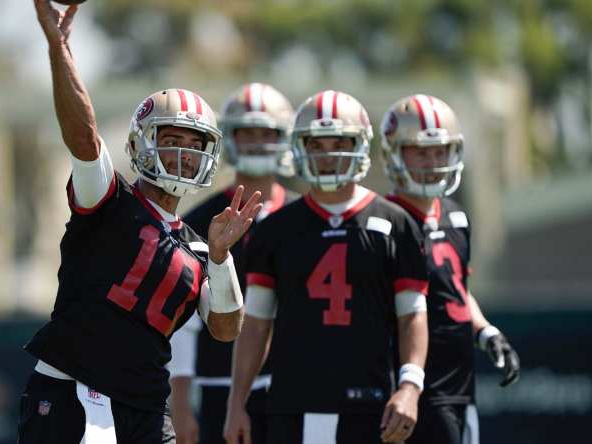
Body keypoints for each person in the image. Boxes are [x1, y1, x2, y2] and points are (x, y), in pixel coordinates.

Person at [18, 2, 263, 443]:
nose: (183, 155)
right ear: (143, 144)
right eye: (171, 141)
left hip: (147, 408)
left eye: (194, 144)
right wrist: (59, 48)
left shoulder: (200, 244)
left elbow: (226, 329)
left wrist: (223, 259)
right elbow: (83, 137)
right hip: (74, 391)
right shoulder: (110, 199)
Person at [224, 90, 430, 444]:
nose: (328, 154)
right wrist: (236, 401)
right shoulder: (275, 229)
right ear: (300, 147)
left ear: (361, 145)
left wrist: (410, 386)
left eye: (340, 142)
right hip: (293, 403)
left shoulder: (395, 223)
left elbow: (412, 316)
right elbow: (256, 325)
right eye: (317, 144)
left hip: (370, 405)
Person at [379, 94, 521, 444]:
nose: (432, 161)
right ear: (395, 153)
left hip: (459, 381)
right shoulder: (382, 221)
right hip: (406, 386)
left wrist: (485, 330)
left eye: (440, 151)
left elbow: (457, 288)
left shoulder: (456, 215)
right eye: (421, 152)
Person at [167, 83, 296, 444]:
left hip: (296, 387)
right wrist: (180, 402)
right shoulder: (200, 219)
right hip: (218, 386)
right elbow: (185, 323)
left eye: (267, 133)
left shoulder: (307, 216)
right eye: (246, 133)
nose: (256, 142)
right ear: (229, 138)